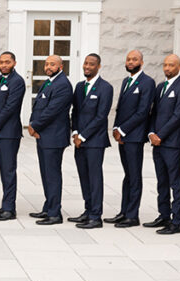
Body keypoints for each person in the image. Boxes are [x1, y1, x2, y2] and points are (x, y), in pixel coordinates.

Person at [106, 49, 156, 228]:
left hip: (134, 137)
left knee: (134, 176)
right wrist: (115, 128)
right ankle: (124, 212)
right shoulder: (126, 81)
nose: (130, 62)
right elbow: (121, 108)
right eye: (128, 59)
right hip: (123, 137)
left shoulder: (147, 82)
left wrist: (123, 130)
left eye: (134, 59)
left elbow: (143, 111)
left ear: (141, 62)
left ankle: (133, 216)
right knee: (127, 175)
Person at [145, 54, 180, 234]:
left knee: (175, 183)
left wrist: (161, 135)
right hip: (157, 143)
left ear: (179, 67)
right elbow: (154, 113)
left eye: (171, 65)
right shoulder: (160, 87)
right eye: (165, 65)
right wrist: (151, 133)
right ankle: (163, 215)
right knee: (161, 181)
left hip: (172, 144)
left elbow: (179, 116)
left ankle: (176, 221)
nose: (167, 68)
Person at [68, 53, 113, 229]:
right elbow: (75, 112)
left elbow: (101, 116)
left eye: (91, 64)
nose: (87, 66)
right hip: (79, 140)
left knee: (94, 179)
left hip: (95, 141)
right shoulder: (80, 87)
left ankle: (96, 216)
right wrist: (75, 132)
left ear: (98, 66)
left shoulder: (105, 88)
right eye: (86, 63)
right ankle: (87, 211)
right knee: (84, 177)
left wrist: (83, 136)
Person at [28, 55, 72, 225]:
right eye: (47, 64)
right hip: (43, 136)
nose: (48, 67)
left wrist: (35, 125)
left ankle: (55, 214)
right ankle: (48, 207)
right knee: (46, 174)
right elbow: (38, 106)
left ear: (61, 67)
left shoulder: (63, 85)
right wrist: (33, 124)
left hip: (54, 137)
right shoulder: (48, 82)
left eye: (52, 64)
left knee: (52, 175)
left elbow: (52, 110)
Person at [0, 51, 25, 221]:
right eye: (1, 62)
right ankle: (5, 204)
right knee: (3, 170)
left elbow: (10, 107)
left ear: (14, 63)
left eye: (7, 62)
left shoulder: (17, 81)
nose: (3, 65)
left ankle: (10, 209)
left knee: (9, 171)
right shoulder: (0, 79)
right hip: (0, 131)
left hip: (9, 132)